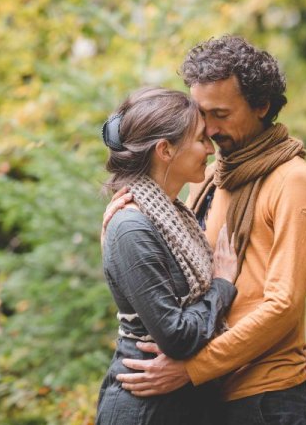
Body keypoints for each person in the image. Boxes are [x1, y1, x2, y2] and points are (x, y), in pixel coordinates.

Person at [111, 36, 306, 424]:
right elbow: (175, 275)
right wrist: (124, 220)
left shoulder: (292, 180)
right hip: (210, 395)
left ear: (262, 105)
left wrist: (192, 369)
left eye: (221, 114)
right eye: (202, 114)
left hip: (264, 397)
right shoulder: (211, 179)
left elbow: (282, 305)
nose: (208, 129)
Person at [95, 87, 240, 425]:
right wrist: (221, 282)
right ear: (165, 150)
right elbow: (178, 337)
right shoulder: (133, 226)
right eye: (201, 139)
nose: (210, 148)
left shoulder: (175, 217)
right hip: (145, 410)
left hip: (179, 407)